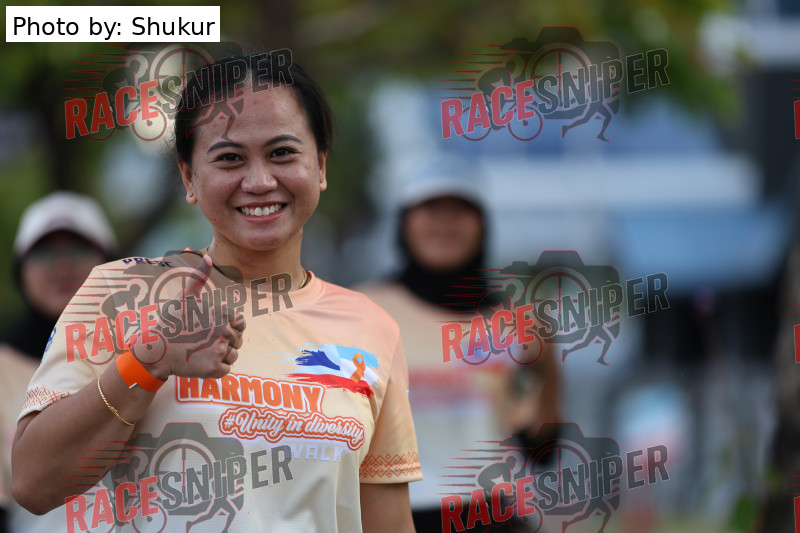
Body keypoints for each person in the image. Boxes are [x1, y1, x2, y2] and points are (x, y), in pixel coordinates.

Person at [12, 53, 421, 533]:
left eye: (282, 153)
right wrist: (147, 362)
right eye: (229, 158)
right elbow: (34, 483)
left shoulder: (371, 328)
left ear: (321, 166)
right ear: (189, 177)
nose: (260, 181)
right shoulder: (120, 293)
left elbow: (387, 520)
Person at [357, 166, 560, 532]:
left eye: (460, 211)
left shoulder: (513, 322)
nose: (445, 222)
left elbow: (542, 449)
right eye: (430, 209)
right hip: (390, 516)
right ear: (404, 222)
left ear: (482, 225)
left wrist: (549, 365)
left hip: (489, 516)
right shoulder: (361, 310)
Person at [0, 191, 116, 533]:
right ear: (20, 271)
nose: (62, 265)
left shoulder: (154, 353)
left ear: (112, 262)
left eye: (79, 249)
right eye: (44, 252)